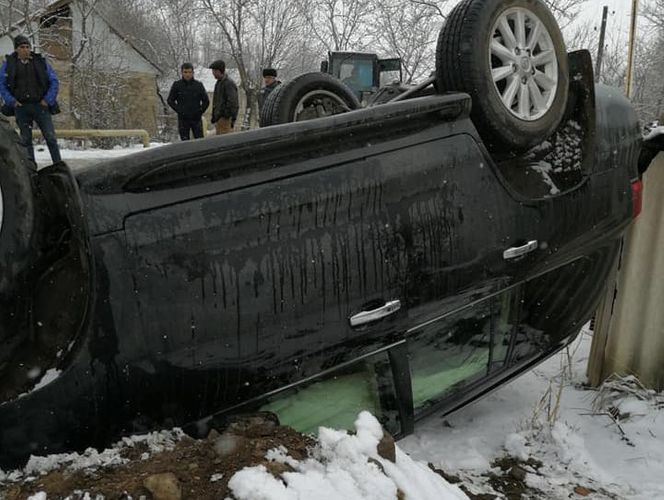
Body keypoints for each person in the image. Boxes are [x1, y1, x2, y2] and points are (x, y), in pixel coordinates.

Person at [0, 34, 61, 164]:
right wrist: (11, 101)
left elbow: (54, 81)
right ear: (16, 49)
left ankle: (58, 165)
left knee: (50, 138)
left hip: (41, 106)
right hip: (21, 107)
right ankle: (31, 170)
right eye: (22, 47)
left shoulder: (40, 62)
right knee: (26, 141)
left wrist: (48, 100)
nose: (26, 49)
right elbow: (2, 85)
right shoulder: (9, 64)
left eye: (28, 47)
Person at [167, 62, 209, 140]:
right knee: (185, 142)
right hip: (183, 119)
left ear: (193, 73)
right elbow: (170, 100)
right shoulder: (177, 85)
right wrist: (179, 110)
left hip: (196, 118)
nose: (187, 74)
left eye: (190, 72)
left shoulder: (198, 85)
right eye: (185, 72)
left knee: (200, 141)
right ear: (182, 73)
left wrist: (200, 111)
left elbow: (206, 101)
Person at [209, 59, 238, 135]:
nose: (213, 73)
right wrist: (215, 117)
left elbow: (232, 102)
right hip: (219, 119)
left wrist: (225, 115)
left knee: (225, 142)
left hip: (225, 120)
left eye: (214, 71)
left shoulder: (228, 83)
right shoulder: (219, 83)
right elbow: (216, 102)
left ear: (220, 71)